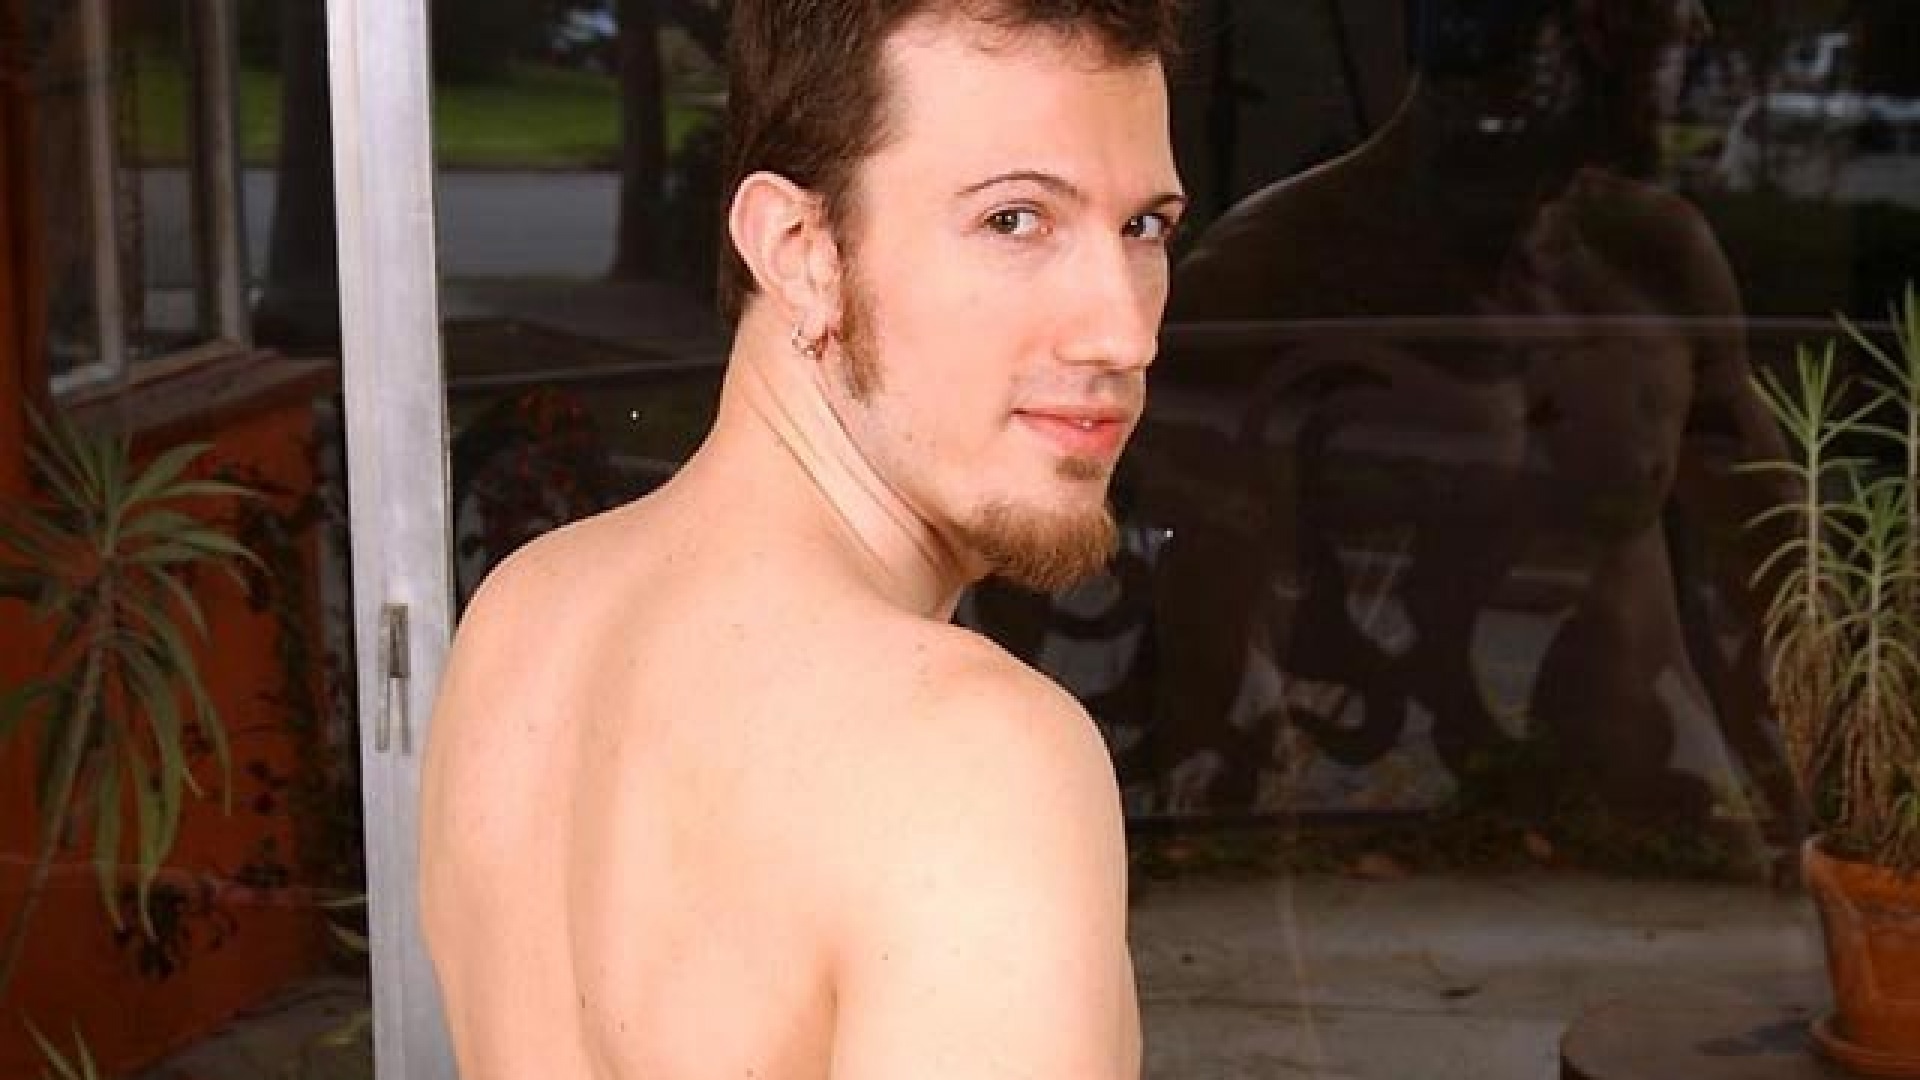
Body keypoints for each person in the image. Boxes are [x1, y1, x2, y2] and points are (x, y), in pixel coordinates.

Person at [419, 2, 1186, 1077]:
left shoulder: (527, 613)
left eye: (1144, 228)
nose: (1123, 330)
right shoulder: (969, 758)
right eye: (1015, 221)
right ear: (799, 252)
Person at [1143, 0, 1788, 830]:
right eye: (1657, 18)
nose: (1697, 30)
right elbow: (1210, 627)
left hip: (1652, 827)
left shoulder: (1656, 260)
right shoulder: (1268, 275)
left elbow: (1777, 561)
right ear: (1562, 36)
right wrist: (1247, 843)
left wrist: (1823, 792)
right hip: (1361, 835)